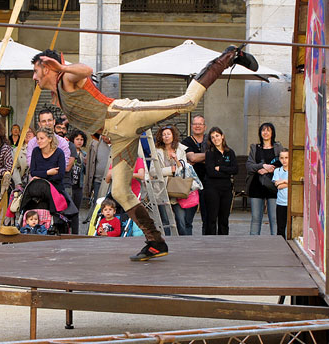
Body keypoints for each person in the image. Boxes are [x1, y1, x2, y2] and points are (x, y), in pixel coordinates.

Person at [31, 46, 258, 260]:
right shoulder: (57, 96)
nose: (34, 77)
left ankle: (229, 56)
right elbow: (88, 114)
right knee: (120, 191)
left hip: (123, 116)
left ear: (47, 67)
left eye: (35, 71)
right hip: (118, 137)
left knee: (187, 102)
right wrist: (99, 136)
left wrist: (62, 68)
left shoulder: (66, 79)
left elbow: (87, 70)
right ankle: (156, 241)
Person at [151, 125, 201, 236]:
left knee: (181, 220)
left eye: (168, 134)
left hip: (178, 189)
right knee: (165, 221)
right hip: (162, 189)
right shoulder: (156, 151)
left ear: (173, 135)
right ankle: (167, 244)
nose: (166, 136)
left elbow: (183, 169)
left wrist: (176, 160)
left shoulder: (180, 149)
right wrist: (170, 170)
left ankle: (183, 244)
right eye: (163, 135)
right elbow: (153, 171)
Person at [246, 122, 283, 235]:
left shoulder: (278, 147)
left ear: (272, 133)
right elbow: (249, 166)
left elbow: (282, 163)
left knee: (274, 218)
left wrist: (268, 169)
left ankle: (276, 242)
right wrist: (261, 166)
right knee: (256, 218)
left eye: (268, 130)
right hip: (256, 185)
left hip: (273, 186)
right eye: (263, 130)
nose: (265, 133)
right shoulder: (255, 148)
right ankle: (253, 242)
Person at [204, 127, 238, 235]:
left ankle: (223, 242)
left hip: (226, 189)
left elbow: (235, 169)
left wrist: (221, 168)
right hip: (212, 189)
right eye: (212, 137)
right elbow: (211, 172)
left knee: (224, 219)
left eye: (217, 136)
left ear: (222, 136)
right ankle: (211, 242)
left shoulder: (230, 152)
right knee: (212, 218)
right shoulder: (210, 153)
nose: (215, 139)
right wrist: (227, 172)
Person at [181, 114, 208, 234]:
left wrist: (197, 158)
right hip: (191, 185)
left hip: (208, 183)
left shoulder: (211, 139)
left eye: (200, 124)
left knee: (207, 218)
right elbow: (191, 157)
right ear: (191, 126)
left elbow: (194, 158)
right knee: (188, 218)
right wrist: (208, 157)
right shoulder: (186, 141)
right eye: (195, 124)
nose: (197, 126)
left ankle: (207, 242)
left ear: (205, 126)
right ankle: (187, 241)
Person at [29, 127, 66, 194]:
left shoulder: (59, 153)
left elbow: (60, 175)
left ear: (50, 139)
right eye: (37, 139)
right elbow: (33, 172)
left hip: (56, 190)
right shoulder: (35, 151)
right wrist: (48, 173)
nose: (39, 141)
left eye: (42, 138)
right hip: (38, 189)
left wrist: (40, 177)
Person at [83, 135, 111, 217]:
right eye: (103, 135)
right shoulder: (95, 143)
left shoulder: (118, 143)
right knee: (98, 204)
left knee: (110, 206)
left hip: (113, 181)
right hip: (98, 180)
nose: (105, 137)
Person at [68, 129, 87, 234]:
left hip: (78, 186)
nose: (79, 141)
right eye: (77, 139)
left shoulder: (84, 155)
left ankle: (75, 233)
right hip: (69, 185)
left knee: (76, 211)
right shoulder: (68, 151)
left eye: (81, 139)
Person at [273, 149, 289, 238]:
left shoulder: (293, 171)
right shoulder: (277, 171)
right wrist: (288, 182)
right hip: (281, 202)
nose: (284, 160)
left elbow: (294, 184)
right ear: (279, 159)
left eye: (286, 157)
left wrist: (282, 181)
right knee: (281, 227)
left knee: (290, 227)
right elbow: (278, 185)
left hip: (291, 203)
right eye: (282, 158)